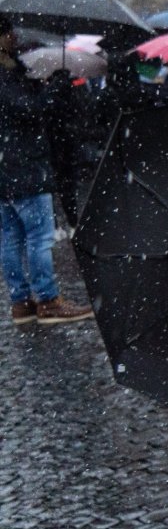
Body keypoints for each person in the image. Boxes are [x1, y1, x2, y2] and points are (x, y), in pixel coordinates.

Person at [0, 17, 93, 325]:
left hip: (9, 167)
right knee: (38, 238)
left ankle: (21, 302)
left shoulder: (12, 72)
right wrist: (53, 89)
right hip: (22, 166)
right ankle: (48, 300)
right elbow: (28, 110)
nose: (14, 36)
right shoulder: (4, 76)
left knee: (11, 239)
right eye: (8, 32)